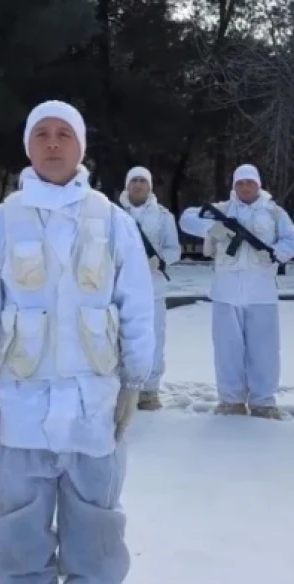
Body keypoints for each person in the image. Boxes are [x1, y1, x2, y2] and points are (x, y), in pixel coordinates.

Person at [0, 100, 154, 584]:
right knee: (19, 525)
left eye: (63, 133)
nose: (52, 143)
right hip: (19, 405)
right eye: (41, 133)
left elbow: (136, 305)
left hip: (94, 403)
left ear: (81, 146)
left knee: (96, 520)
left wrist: (134, 381)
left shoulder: (114, 222)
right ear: (27, 146)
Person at [177, 164, 294, 418]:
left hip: (261, 290)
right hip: (226, 289)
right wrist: (213, 229)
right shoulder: (222, 210)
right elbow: (187, 218)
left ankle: (264, 401)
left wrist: (276, 253)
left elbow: (293, 240)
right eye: (240, 183)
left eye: (250, 183)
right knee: (227, 349)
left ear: (258, 185)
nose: (245, 187)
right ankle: (231, 400)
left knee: (264, 350)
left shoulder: (274, 212)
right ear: (234, 186)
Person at [119, 165, 180, 410]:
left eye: (142, 180)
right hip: (120, 288)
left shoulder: (163, 216)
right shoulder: (113, 214)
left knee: (153, 339)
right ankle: (121, 389)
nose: (137, 185)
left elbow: (174, 249)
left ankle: (149, 391)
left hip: (153, 288)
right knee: (119, 338)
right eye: (133, 180)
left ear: (150, 185)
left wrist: (161, 260)